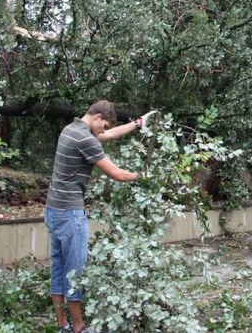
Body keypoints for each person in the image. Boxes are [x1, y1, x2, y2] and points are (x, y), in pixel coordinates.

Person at [45, 100, 152, 333]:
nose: (104, 130)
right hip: (70, 214)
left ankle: (62, 324)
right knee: (75, 271)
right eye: (103, 125)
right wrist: (147, 176)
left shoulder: (72, 129)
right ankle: (79, 328)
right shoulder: (86, 139)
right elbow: (117, 174)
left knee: (58, 267)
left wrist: (138, 123)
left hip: (53, 210)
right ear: (97, 116)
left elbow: (110, 134)